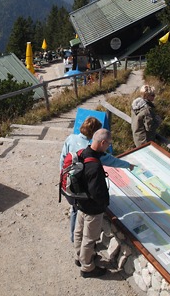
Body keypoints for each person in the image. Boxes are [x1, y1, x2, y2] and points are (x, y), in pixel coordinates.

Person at [59, 117, 132, 243]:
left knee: (74, 210)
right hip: (82, 189)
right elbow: (112, 161)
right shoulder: (92, 150)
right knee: (80, 212)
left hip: (68, 184)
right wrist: (128, 165)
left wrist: (63, 176)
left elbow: (62, 158)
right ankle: (80, 240)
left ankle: (74, 237)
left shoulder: (71, 138)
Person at [73, 128, 113, 278]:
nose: (108, 147)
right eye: (108, 144)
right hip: (92, 209)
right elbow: (97, 192)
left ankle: (80, 257)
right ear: (102, 142)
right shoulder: (95, 166)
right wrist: (105, 203)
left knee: (79, 232)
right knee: (89, 239)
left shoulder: (83, 153)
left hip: (81, 202)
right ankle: (87, 267)